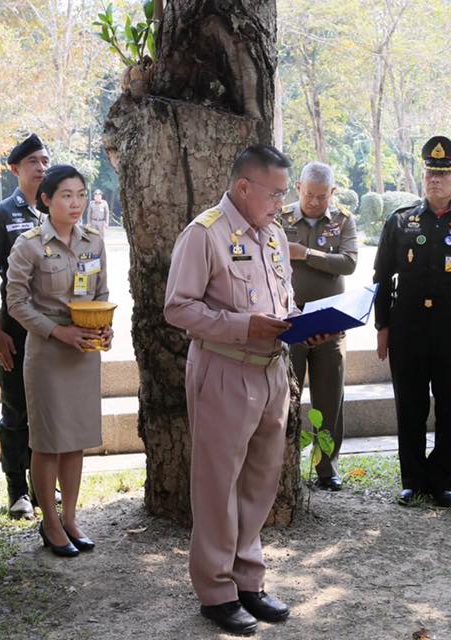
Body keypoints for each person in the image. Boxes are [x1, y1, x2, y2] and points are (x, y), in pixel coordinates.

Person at [164, 144, 302, 636]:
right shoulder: (205, 234)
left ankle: (248, 580)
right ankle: (217, 591)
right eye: (275, 194)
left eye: (284, 194)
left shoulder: (274, 235)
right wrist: (244, 326)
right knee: (218, 486)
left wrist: (304, 324)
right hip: (224, 369)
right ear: (244, 187)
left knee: (260, 482)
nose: (281, 204)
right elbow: (178, 308)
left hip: (271, 371)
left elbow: (282, 298)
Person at [373, 135, 451, 508]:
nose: (435, 180)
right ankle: (412, 479)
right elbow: (382, 278)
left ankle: (444, 481)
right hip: (407, 327)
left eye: (443, 174)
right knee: (410, 404)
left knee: (450, 405)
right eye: (430, 173)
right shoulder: (401, 221)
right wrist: (382, 327)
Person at [7, 164, 109, 558]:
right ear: (46, 200)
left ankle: (70, 518)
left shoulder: (93, 241)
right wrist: (58, 331)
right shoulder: (29, 245)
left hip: (84, 352)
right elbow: (16, 303)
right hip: (49, 354)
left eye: (81, 194)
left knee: (75, 441)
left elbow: (101, 294)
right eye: (66, 195)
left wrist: (105, 328)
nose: (76, 203)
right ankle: (49, 522)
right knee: (49, 442)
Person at [0, 134, 50, 519]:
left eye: (45, 161)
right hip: (16, 329)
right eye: (33, 161)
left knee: (48, 409)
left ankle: (44, 485)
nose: (41, 168)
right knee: (16, 408)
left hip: (53, 328)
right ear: (15, 169)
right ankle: (17, 489)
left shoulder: (56, 210)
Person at [279, 161, 358, 490]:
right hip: (291, 321)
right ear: (298, 187)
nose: (314, 201)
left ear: (332, 192)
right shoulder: (280, 217)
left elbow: (349, 263)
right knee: (286, 397)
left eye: (322, 196)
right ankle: (286, 464)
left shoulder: (343, 220)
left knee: (329, 398)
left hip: (330, 323)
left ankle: (327, 467)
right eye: (309, 194)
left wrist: (305, 254)